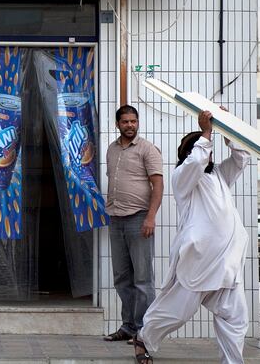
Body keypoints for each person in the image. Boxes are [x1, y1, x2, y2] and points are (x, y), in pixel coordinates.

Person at [134, 109, 249, 364]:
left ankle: (232, 362)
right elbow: (195, 162)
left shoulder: (218, 174)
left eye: (209, 149)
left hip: (225, 263)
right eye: (203, 148)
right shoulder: (182, 178)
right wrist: (206, 132)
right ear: (190, 153)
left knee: (235, 316)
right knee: (176, 314)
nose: (208, 154)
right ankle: (143, 338)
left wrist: (228, 131)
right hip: (198, 262)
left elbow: (241, 158)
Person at [103, 105, 164, 342]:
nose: (130, 125)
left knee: (143, 279)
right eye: (125, 122)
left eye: (134, 121)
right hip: (116, 219)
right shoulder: (112, 149)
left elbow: (158, 186)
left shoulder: (148, 149)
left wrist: (150, 217)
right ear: (117, 124)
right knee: (121, 278)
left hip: (139, 219)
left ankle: (143, 331)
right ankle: (128, 327)